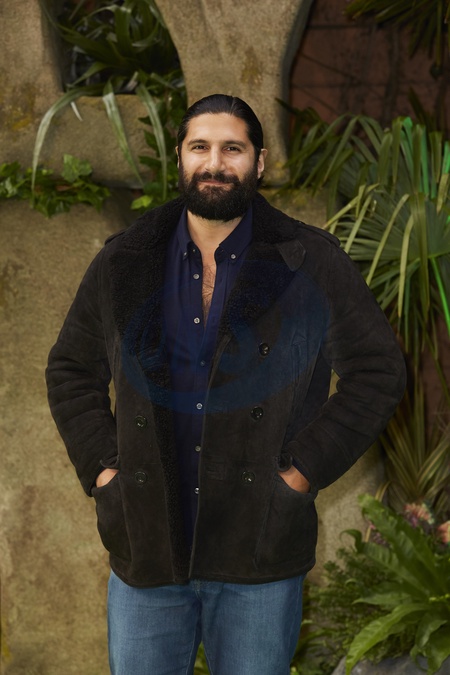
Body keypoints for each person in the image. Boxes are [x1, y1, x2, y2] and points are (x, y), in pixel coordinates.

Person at [46, 94, 406, 675]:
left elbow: (378, 371)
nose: (215, 163)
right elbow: (70, 370)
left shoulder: (310, 261)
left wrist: (300, 473)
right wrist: (105, 473)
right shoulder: (123, 261)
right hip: (147, 548)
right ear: (180, 158)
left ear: (258, 162)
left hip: (258, 550)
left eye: (232, 148)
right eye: (200, 147)